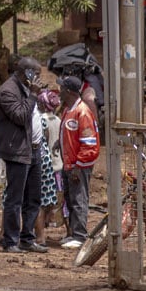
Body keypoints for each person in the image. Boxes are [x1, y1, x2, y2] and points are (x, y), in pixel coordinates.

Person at [0, 56, 45, 253]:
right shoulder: (8, 90)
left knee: (33, 198)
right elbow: (20, 116)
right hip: (16, 151)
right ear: (27, 73)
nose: (39, 79)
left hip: (33, 149)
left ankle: (27, 238)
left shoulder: (25, 88)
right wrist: (33, 95)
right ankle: (10, 241)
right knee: (15, 199)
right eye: (37, 74)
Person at [60, 76, 101, 249]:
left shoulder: (82, 112)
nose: (59, 91)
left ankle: (80, 235)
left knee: (79, 199)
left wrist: (79, 164)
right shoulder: (68, 110)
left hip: (79, 165)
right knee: (70, 199)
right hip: (69, 163)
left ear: (68, 91)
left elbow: (89, 142)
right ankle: (73, 233)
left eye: (62, 88)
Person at [36, 88, 63, 245]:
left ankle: (39, 233)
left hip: (46, 166)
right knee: (56, 200)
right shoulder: (58, 120)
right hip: (58, 165)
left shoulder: (42, 120)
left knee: (41, 200)